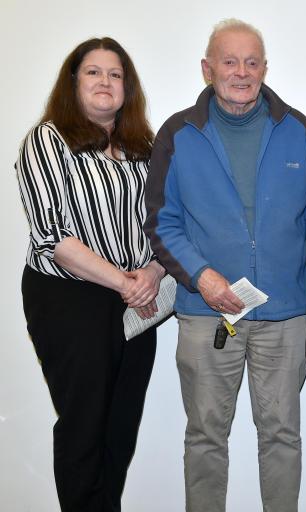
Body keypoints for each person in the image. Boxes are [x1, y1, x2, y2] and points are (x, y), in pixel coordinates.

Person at [143, 19, 306, 512]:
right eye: (230, 61)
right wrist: (202, 275)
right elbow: (161, 221)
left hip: (285, 316)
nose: (241, 72)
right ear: (207, 68)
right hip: (206, 314)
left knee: (282, 436)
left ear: (265, 68)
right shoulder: (178, 133)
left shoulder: (298, 129)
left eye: (252, 62)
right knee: (204, 437)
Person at [15, 37, 161, 511]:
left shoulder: (145, 145)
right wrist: (126, 283)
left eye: (115, 74)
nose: (105, 82)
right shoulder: (48, 139)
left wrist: (154, 274)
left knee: (121, 425)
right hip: (69, 297)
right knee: (84, 424)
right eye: (93, 72)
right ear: (73, 81)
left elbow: (169, 221)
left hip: (141, 297)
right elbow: (52, 236)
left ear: (127, 88)